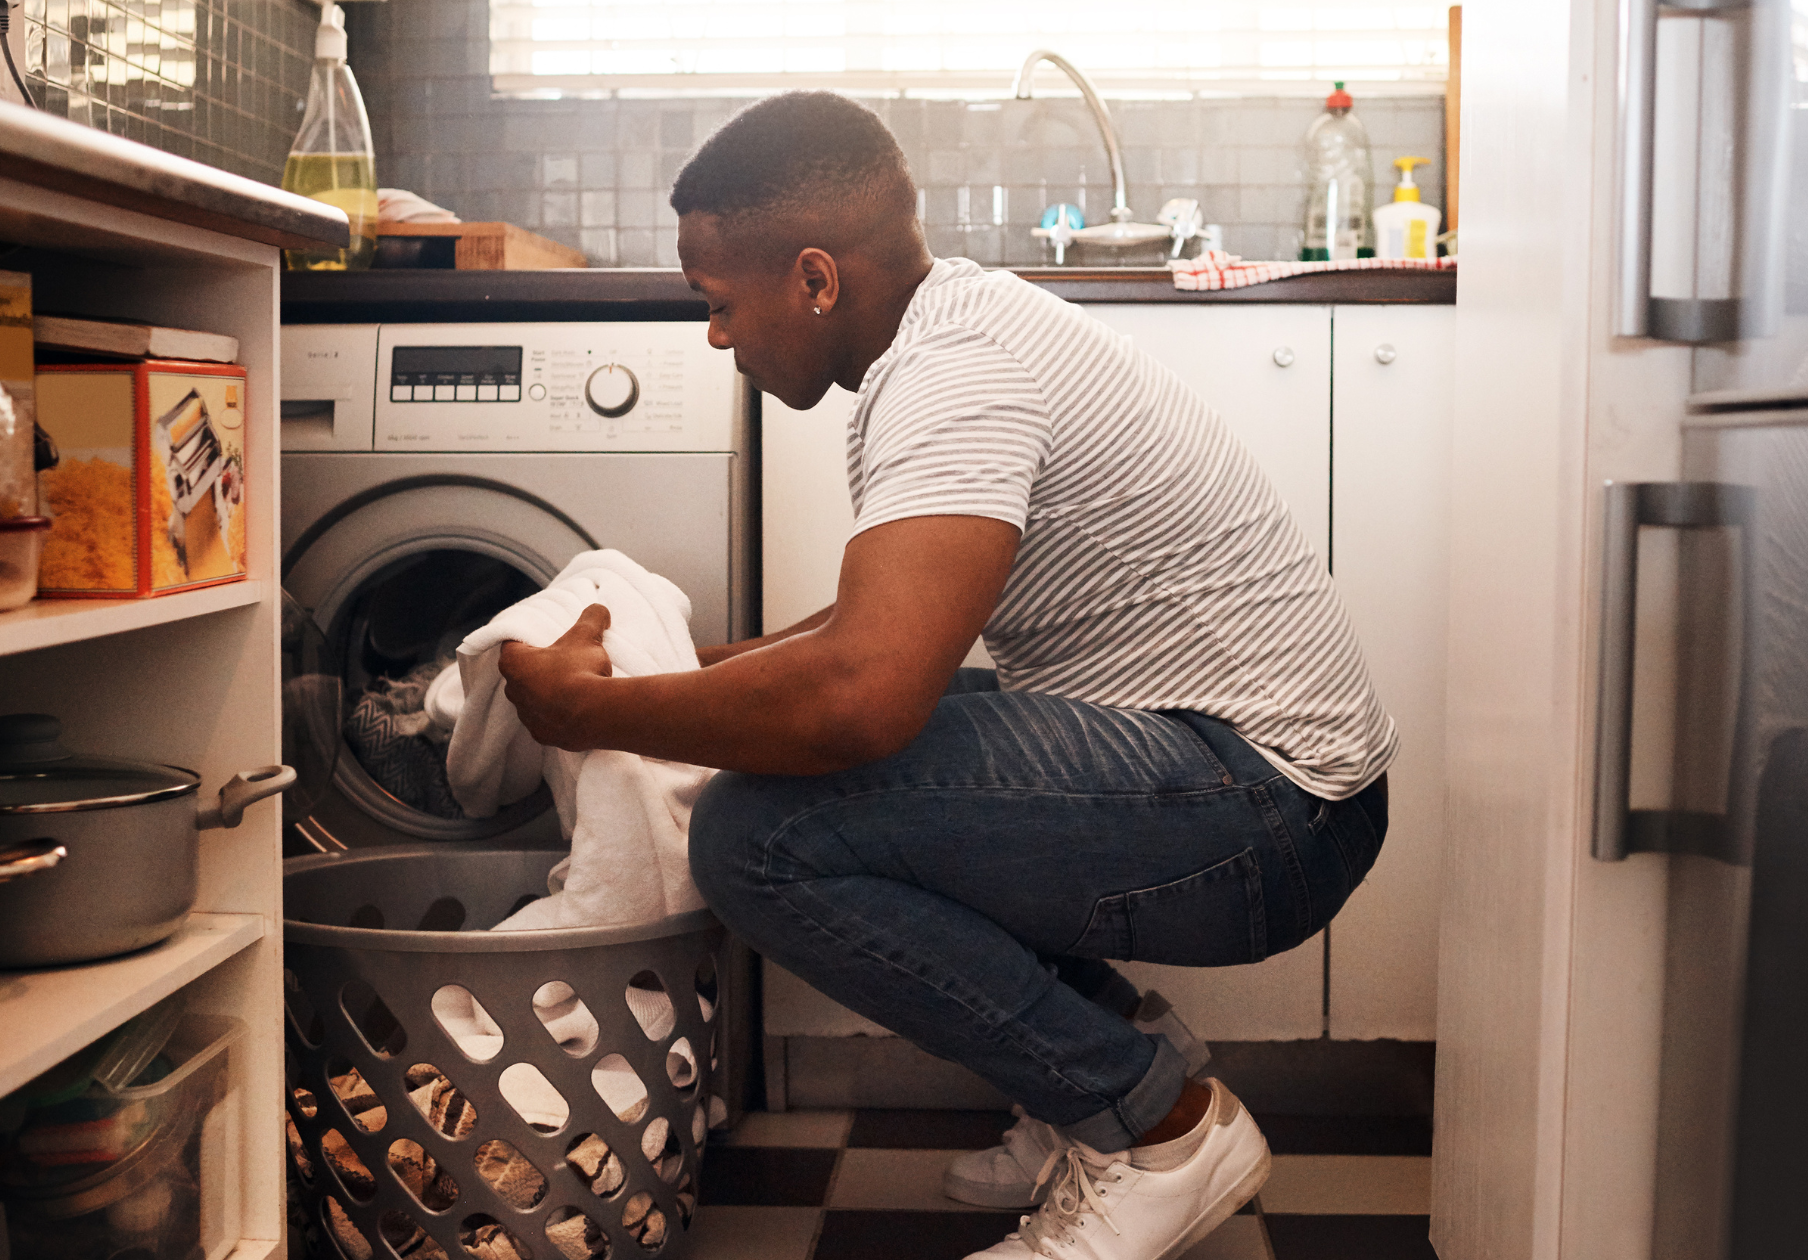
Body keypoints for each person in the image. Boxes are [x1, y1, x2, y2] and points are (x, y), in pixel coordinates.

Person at [496, 91, 1397, 1260]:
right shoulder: (956, 330)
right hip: (1253, 781)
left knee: (757, 836)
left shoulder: (953, 372)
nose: (715, 337)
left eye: (719, 306)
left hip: (1271, 812)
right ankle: (1108, 1084)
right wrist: (658, 667)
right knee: (853, 782)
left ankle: (1158, 1130)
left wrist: (593, 708)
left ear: (814, 278)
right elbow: (870, 623)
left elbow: (861, 694)